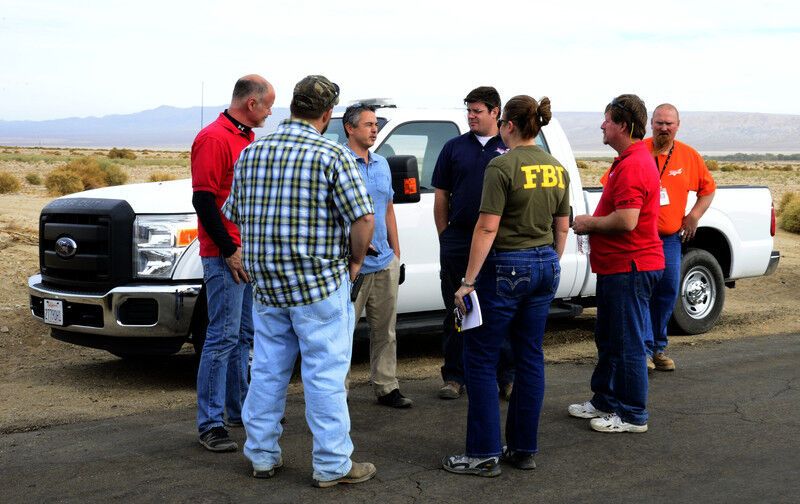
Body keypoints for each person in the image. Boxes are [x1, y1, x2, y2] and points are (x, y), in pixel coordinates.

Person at [222, 75, 378, 487]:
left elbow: (233, 213)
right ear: (328, 114)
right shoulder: (332, 155)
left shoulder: (252, 152)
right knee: (324, 375)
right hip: (319, 286)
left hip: (268, 286)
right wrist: (356, 262)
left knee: (268, 372)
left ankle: (260, 455)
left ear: (292, 105)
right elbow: (363, 218)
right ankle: (331, 464)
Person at [441, 95, 570, 476]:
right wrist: (549, 262)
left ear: (508, 125)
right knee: (530, 357)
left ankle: (482, 453)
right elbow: (561, 227)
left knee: (480, 358)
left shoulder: (502, 165)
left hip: (505, 268)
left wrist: (467, 281)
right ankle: (523, 449)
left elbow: (487, 226)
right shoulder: (556, 167)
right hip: (545, 263)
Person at [569, 94, 664, 434]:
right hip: (618, 267)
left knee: (627, 342)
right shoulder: (629, 160)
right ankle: (605, 400)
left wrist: (587, 223)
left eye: (607, 120)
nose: (601, 126)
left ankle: (632, 414)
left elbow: (626, 220)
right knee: (610, 338)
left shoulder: (635, 164)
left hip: (631, 267)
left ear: (623, 125)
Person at [191, 74, 274, 452]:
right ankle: (210, 423)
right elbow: (204, 200)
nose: (270, 113)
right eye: (269, 105)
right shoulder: (214, 138)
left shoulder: (244, 137)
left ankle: (238, 409)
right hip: (226, 254)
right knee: (221, 337)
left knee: (243, 336)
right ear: (252, 103)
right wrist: (228, 248)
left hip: (244, 252)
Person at [431, 86, 515, 400]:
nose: (471, 116)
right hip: (458, 239)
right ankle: (454, 376)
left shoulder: (508, 148)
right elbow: (441, 195)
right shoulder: (454, 148)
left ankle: (505, 376)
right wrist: (445, 236)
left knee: (498, 309)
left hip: (498, 242)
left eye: (477, 111)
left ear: (496, 113)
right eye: (469, 110)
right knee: (457, 310)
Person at [343, 103, 413, 408]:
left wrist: (396, 251)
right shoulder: (338, 162)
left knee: (385, 330)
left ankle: (386, 386)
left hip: (384, 262)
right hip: (350, 266)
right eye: (369, 124)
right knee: (342, 333)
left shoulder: (382, 164)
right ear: (350, 128)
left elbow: (387, 208)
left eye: (376, 124)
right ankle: (337, 393)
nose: (374, 130)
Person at [644, 104, 716, 371]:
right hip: (639, 238)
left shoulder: (688, 156)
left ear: (678, 125)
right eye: (659, 122)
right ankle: (642, 350)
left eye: (669, 124)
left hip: (669, 238)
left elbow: (708, 190)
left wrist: (694, 215)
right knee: (642, 293)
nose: (664, 128)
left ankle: (657, 348)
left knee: (667, 291)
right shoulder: (638, 152)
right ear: (651, 123)